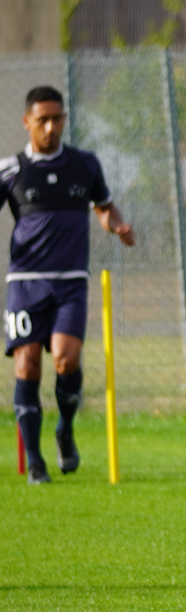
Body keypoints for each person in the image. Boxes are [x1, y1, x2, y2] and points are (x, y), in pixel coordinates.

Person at [2, 86, 135, 484]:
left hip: (71, 282)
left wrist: (117, 225)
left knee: (66, 358)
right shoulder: (11, 169)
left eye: (57, 118)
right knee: (26, 364)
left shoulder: (85, 164)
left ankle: (65, 429)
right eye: (42, 119)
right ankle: (37, 462)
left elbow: (104, 207)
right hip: (25, 283)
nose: (50, 126)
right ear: (27, 122)